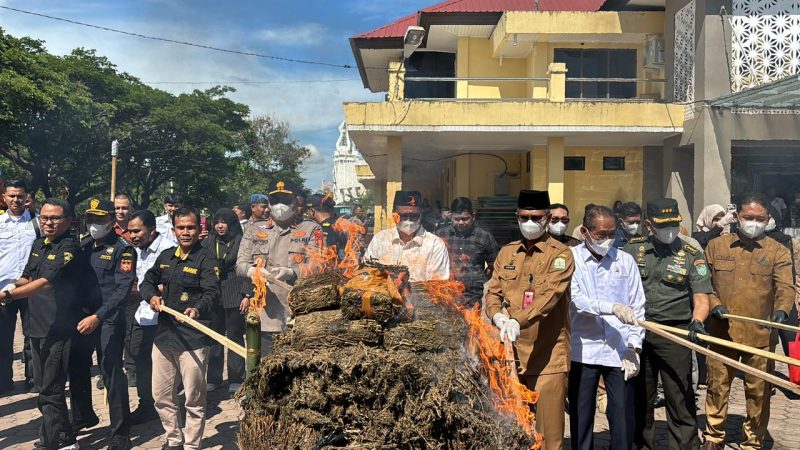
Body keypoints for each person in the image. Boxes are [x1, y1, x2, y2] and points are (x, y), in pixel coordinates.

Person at [701, 195, 794, 450]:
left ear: (768, 220)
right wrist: (713, 303)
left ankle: (753, 441)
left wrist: (782, 311)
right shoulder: (717, 246)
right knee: (717, 387)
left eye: (759, 219)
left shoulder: (778, 251)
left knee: (759, 392)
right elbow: (704, 284)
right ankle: (714, 436)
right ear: (738, 217)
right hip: (722, 332)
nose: (753, 223)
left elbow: (786, 288)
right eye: (748, 218)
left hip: (760, 335)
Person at [484, 190, 574, 450]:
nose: (530, 222)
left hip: (548, 357)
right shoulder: (507, 252)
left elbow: (550, 297)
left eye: (536, 217)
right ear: (517, 217)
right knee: (514, 430)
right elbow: (493, 290)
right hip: (512, 355)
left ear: (546, 218)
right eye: (524, 217)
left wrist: (517, 320)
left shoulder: (561, 255)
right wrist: (497, 315)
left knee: (548, 436)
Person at [622, 198, 711, 450]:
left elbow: (702, 297)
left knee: (679, 395)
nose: (670, 230)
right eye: (664, 225)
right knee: (640, 395)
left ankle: (684, 445)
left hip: (675, 333)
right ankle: (640, 444)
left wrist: (697, 321)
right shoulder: (633, 250)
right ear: (650, 225)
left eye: (674, 224)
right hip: (639, 331)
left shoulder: (691, 254)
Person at [1, 198, 84, 450]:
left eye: (55, 218)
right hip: (37, 326)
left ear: (68, 221)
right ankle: (66, 438)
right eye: (45, 218)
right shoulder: (39, 243)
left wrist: (7, 296)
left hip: (60, 327)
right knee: (43, 385)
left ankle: (51, 442)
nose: (48, 222)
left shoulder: (69, 247)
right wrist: (10, 287)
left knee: (50, 388)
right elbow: (28, 276)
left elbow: (46, 281)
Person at [141, 207, 220, 450]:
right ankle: (173, 440)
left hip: (193, 339)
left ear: (199, 230)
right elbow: (147, 281)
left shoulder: (207, 259)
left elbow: (212, 292)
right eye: (181, 228)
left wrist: (196, 309)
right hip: (164, 337)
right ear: (174, 230)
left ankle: (192, 445)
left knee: (194, 399)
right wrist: (152, 297)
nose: (186, 232)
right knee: (162, 396)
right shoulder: (165, 256)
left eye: (191, 227)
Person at [568, 205, 645, 450]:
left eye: (612, 234)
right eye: (601, 234)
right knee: (582, 413)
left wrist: (634, 347)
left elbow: (637, 306)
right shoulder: (571, 260)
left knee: (622, 414)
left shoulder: (626, 261)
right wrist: (610, 307)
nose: (607, 239)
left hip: (619, 349)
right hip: (584, 348)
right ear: (585, 231)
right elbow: (576, 300)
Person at [76, 198, 137, 449]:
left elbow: (122, 290)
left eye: (100, 219)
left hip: (108, 318)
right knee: (77, 368)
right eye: (91, 219)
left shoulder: (123, 249)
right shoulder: (84, 246)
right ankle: (81, 418)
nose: (94, 224)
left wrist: (98, 316)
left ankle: (120, 430)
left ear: (112, 220)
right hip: (83, 316)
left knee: (110, 371)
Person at [236, 181, 322, 355]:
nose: (280, 205)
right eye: (275, 200)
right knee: (266, 370)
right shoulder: (254, 229)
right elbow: (240, 265)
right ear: (268, 203)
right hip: (266, 315)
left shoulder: (311, 230)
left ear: (296, 203)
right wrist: (253, 271)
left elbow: (319, 265)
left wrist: (292, 272)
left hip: (300, 313)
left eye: (285, 199)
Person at [126, 210, 170, 425]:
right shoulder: (134, 250)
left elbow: (169, 282)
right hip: (141, 314)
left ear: (152, 230)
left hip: (162, 315)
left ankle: (164, 404)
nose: (132, 236)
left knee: (164, 362)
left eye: (137, 231)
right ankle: (147, 403)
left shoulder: (167, 248)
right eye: (130, 231)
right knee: (139, 357)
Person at [0, 180, 38, 394]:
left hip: (30, 289)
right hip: (3, 290)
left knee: (32, 337)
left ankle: (33, 379)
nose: (16, 200)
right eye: (12, 195)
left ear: (27, 198)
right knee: (2, 339)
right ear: (4, 197)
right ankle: (3, 381)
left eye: (20, 196)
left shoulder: (37, 224)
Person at [202, 208, 245, 394]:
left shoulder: (241, 242)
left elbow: (247, 271)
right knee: (214, 337)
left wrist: (247, 295)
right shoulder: (208, 242)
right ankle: (214, 378)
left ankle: (236, 377)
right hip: (214, 295)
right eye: (217, 221)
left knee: (234, 337)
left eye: (224, 222)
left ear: (232, 223)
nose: (220, 225)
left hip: (235, 293)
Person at [363, 191, 450, 282]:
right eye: (403, 216)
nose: (408, 220)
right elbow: (367, 274)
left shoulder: (434, 244)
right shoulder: (380, 239)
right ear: (394, 215)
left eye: (413, 216)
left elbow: (438, 284)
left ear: (420, 215)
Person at [435, 197, 498, 307]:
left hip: (473, 297)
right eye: (456, 219)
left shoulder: (484, 237)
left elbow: (494, 266)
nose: (460, 222)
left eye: (465, 219)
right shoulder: (441, 235)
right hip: (446, 295)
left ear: (473, 217)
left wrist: (479, 280)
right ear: (451, 216)